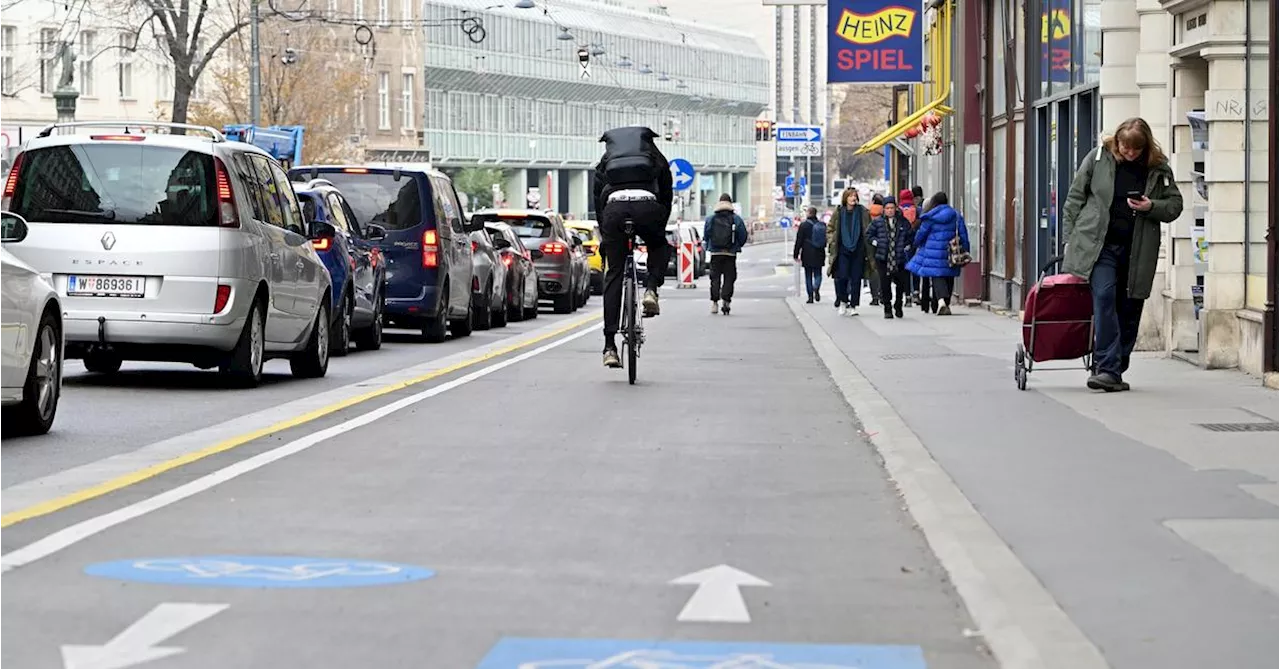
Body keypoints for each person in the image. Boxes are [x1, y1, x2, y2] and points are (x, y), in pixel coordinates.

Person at [1062, 117, 1183, 392]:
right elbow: (1075, 198)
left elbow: (1175, 205)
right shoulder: (1098, 159)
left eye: (1134, 149)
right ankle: (1107, 368)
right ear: (1116, 142)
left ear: (1144, 147)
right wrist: (1070, 239)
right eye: (1124, 147)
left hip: (1138, 249)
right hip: (1099, 246)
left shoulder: (1158, 168)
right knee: (1104, 297)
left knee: (1129, 307)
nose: (1128, 153)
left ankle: (1115, 367)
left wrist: (1151, 205)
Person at [593, 126, 674, 369]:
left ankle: (609, 347)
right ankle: (650, 289)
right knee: (659, 245)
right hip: (647, 208)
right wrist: (659, 225)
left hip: (614, 212)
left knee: (615, 273)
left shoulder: (607, 160)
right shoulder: (655, 158)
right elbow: (667, 195)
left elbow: (598, 199)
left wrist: (606, 233)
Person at [905, 192, 969, 316]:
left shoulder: (931, 217)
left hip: (932, 251)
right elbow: (963, 234)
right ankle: (946, 302)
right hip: (951, 251)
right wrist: (965, 248)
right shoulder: (956, 216)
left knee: (937, 276)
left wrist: (915, 243)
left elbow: (921, 233)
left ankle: (941, 302)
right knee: (948, 276)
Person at [826, 188, 876, 316]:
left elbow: (870, 229)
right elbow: (830, 228)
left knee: (856, 279)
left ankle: (853, 305)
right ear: (845, 198)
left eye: (855, 196)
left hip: (858, 250)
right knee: (842, 277)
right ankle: (843, 301)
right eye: (850, 196)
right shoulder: (839, 212)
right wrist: (832, 240)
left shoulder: (863, 212)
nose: (853, 198)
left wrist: (870, 243)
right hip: (842, 249)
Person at [704, 193, 749, 315]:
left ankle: (714, 303)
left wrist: (710, 245)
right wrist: (737, 245)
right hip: (730, 253)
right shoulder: (736, 219)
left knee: (715, 278)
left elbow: (706, 234)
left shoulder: (711, 218)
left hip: (715, 253)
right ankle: (726, 301)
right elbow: (743, 235)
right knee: (729, 278)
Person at [868, 198, 913, 319]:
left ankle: (898, 305)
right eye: (887, 208)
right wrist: (875, 242)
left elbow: (910, 235)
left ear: (896, 208)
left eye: (892, 208)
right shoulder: (878, 222)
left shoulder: (903, 222)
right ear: (884, 209)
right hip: (883, 257)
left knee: (900, 283)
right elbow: (869, 234)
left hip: (899, 257)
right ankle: (887, 308)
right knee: (885, 283)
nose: (890, 210)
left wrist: (907, 245)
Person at [793, 206, 827, 303]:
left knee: (808, 275)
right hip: (819, 252)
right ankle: (816, 286)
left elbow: (799, 241)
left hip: (807, 253)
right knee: (818, 273)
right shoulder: (822, 225)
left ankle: (810, 296)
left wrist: (796, 254)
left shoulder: (803, 225)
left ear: (808, 213)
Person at [866, 194, 885, 306]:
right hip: (883, 244)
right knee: (882, 270)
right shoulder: (884, 212)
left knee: (872, 270)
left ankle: (875, 297)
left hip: (871, 245)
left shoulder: (868, 212)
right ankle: (882, 294)